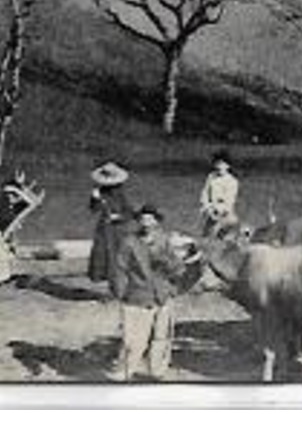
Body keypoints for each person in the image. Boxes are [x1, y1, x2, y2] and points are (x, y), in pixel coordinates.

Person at [108, 205, 195, 382]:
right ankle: (123, 373)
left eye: (151, 219)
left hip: (163, 296)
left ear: (157, 221)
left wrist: (168, 265)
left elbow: (177, 269)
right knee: (133, 340)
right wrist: (122, 294)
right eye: (143, 219)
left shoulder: (164, 241)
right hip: (138, 297)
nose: (147, 223)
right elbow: (119, 269)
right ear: (138, 221)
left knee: (162, 338)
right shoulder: (129, 242)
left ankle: (157, 372)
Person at [86, 161, 132, 286]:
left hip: (117, 229)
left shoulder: (120, 193)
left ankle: (117, 288)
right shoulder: (100, 191)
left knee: (116, 257)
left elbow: (129, 213)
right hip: (104, 228)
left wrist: (118, 216)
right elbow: (94, 209)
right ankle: (109, 285)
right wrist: (94, 198)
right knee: (102, 255)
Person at [199, 150, 240, 236]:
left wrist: (217, 212)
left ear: (228, 165)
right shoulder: (211, 177)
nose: (219, 167)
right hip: (210, 213)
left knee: (220, 236)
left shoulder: (232, 181)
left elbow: (229, 202)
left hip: (226, 216)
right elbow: (204, 194)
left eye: (222, 164)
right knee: (206, 237)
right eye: (217, 164)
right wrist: (208, 208)